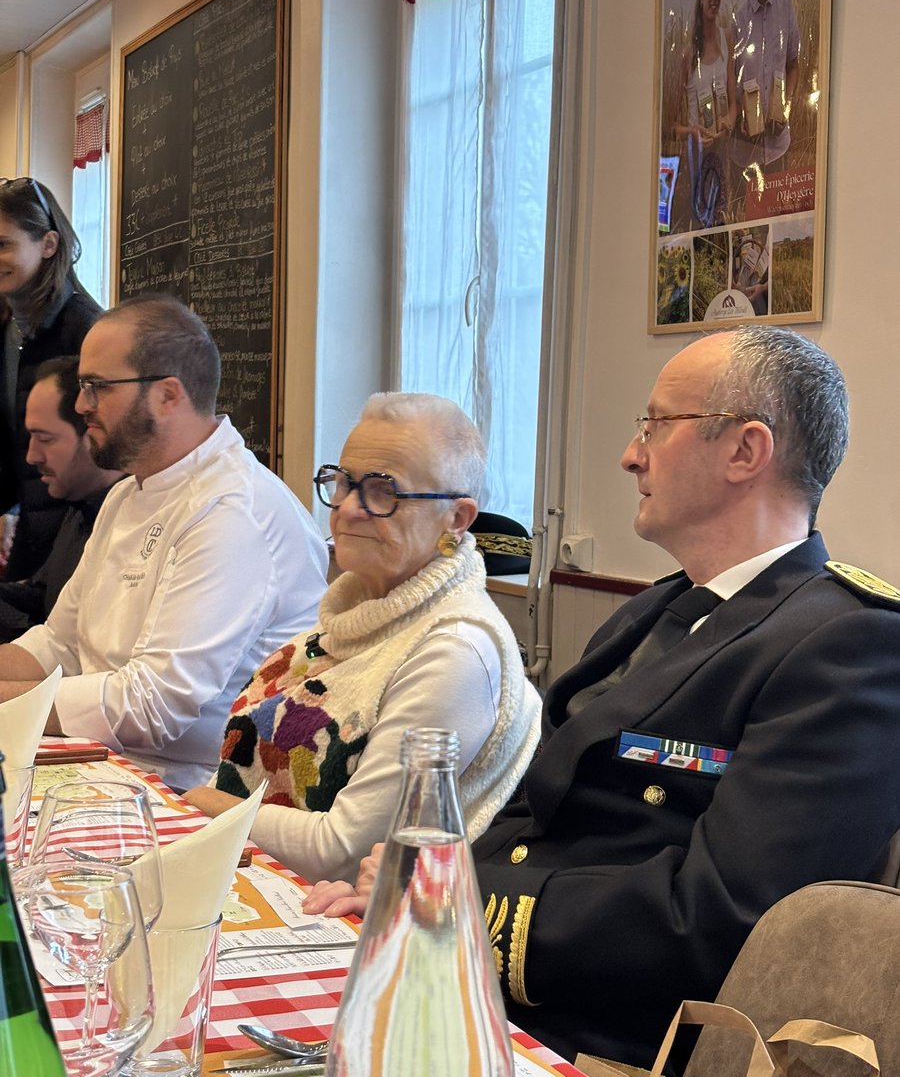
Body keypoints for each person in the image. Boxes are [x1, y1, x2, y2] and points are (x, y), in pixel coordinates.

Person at [305, 327, 900, 1068]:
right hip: (500, 989)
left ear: (746, 452)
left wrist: (455, 905)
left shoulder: (851, 644)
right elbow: (534, 806)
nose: (631, 453)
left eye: (656, 425)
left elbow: (718, 918)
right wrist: (424, 887)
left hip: (616, 1041)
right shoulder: (652, 614)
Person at [184, 393, 542, 883]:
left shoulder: (455, 649)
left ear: (457, 518)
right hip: (253, 881)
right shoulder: (351, 613)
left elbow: (344, 851)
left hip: (349, 925)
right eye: (344, 482)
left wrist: (204, 804)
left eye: (382, 490)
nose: (349, 508)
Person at [0, 295, 329, 791]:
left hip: (192, 793)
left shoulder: (232, 510)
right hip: (100, 764)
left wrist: (7, 702)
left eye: (97, 386)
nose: (82, 403)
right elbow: (60, 642)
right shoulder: (127, 493)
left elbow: (155, 706)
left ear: (169, 395)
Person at [0, 178, 102, 579]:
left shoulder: (87, 333)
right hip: (25, 536)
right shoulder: (9, 325)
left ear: (48, 245)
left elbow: (101, 458)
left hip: (74, 542)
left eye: (3, 244)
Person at [0, 357, 122, 641]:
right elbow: (42, 597)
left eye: (45, 439)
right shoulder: (81, 506)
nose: (32, 456)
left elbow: (74, 649)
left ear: (93, 432)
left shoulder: (129, 521)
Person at [731, 0, 800, 193]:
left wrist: (786, 103)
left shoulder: (786, 6)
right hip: (743, 155)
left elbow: (794, 64)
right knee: (744, 231)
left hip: (778, 149)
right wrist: (739, 119)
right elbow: (729, 86)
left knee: (780, 226)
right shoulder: (737, 22)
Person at [672, 0, 736, 228]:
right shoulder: (687, 54)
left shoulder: (727, 39)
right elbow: (671, 126)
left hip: (723, 154)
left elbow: (734, 106)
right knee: (701, 227)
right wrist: (694, 133)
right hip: (697, 161)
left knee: (725, 223)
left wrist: (727, 122)